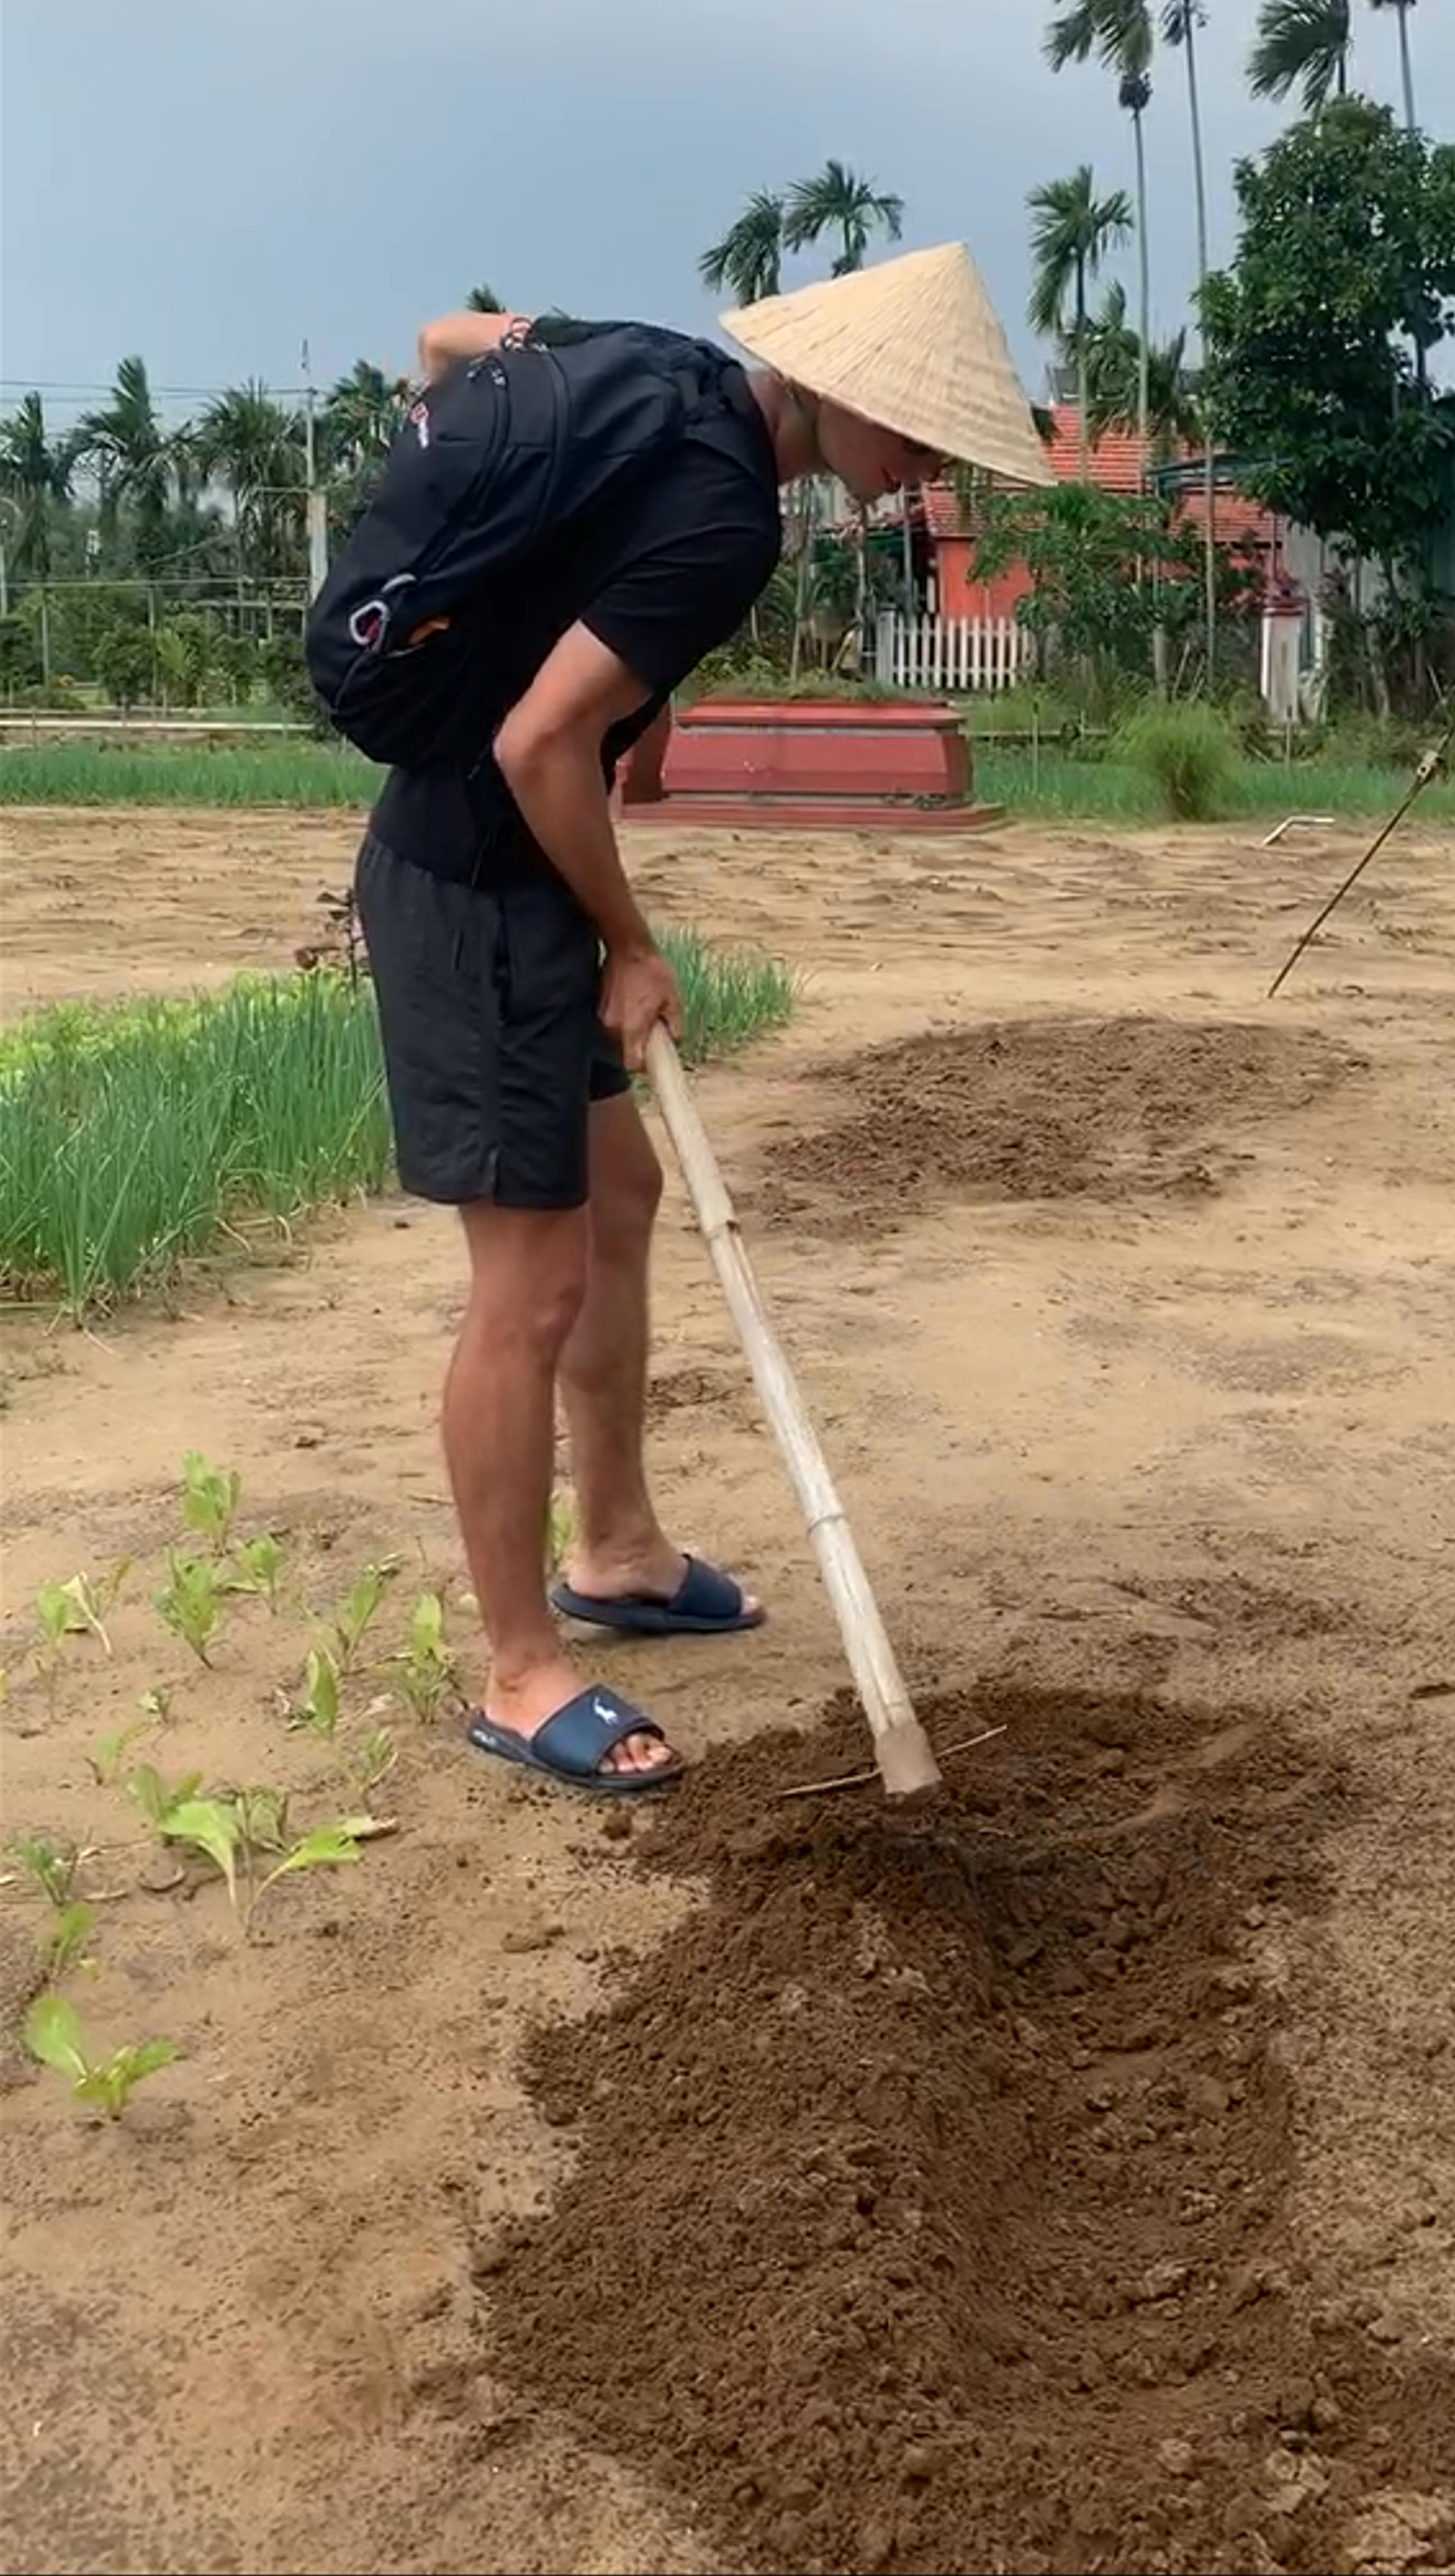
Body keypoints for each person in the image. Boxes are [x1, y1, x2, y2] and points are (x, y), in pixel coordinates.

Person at [349, 243, 1050, 1800]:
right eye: (919, 432)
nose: (921, 469)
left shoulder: (655, 365)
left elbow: (444, 336)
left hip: (512, 867)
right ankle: (524, 1672)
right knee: (526, 1286)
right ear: (839, 385)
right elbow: (543, 743)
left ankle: (619, 1548)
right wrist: (633, 942)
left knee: (623, 1195)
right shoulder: (728, 514)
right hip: (475, 890)